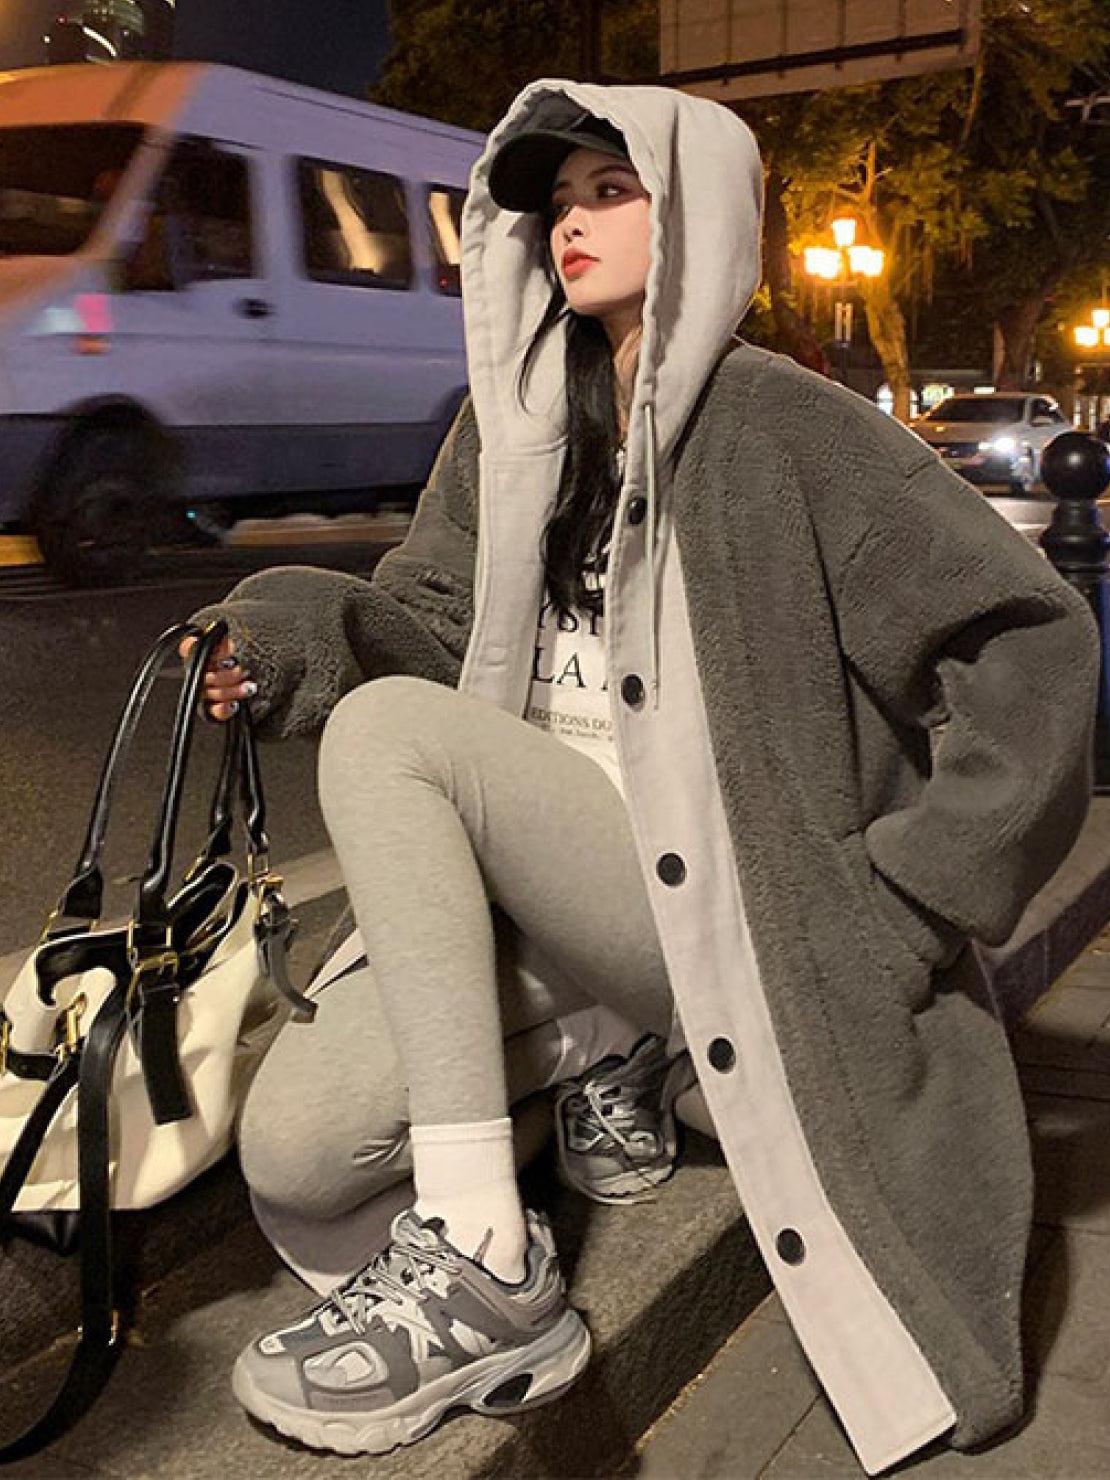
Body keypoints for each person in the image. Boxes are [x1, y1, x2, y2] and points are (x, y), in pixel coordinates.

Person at [185, 81, 1098, 1473]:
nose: (571, 225)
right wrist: (280, 638)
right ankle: (613, 1051)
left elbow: (1029, 643)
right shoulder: (504, 432)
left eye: (613, 189)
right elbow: (422, 624)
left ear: (706, 213)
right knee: (298, 1157)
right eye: (556, 204)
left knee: (387, 742)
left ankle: (485, 1252)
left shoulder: (786, 426)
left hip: (720, 896)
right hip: (552, 876)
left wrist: (910, 894)